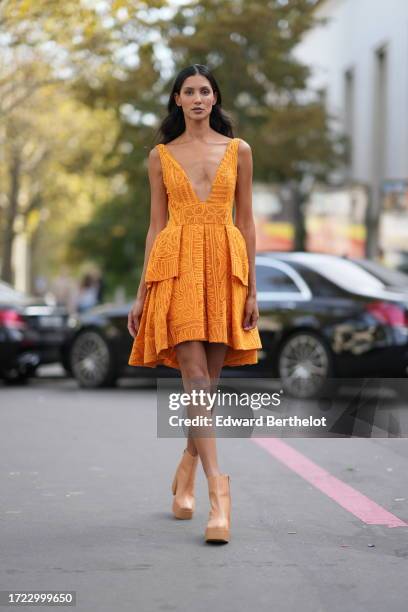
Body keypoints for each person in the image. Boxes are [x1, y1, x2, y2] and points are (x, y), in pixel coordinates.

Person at [127, 64, 262, 544]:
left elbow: (246, 223)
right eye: (190, 91)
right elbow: (155, 225)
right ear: (178, 100)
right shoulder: (160, 156)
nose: (199, 98)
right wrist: (143, 291)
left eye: (206, 91)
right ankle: (217, 494)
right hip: (177, 265)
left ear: (215, 99)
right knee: (195, 380)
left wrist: (252, 288)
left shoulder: (239, 151)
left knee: (208, 384)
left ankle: (186, 466)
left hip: (225, 267)